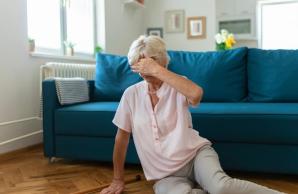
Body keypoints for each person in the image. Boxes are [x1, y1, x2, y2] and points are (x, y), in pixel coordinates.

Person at [100, 35, 284, 194]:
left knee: (221, 188)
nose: (145, 68)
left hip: (195, 156)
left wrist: (157, 70)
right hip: (165, 174)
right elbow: (121, 139)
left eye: (150, 61)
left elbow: (196, 95)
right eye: (138, 63)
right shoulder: (131, 95)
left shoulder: (178, 84)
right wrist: (117, 179)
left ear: (163, 61)